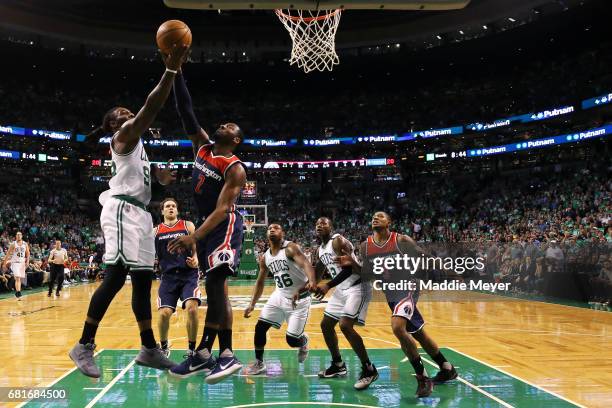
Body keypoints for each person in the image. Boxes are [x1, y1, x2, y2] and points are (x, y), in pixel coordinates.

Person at [68, 44, 189, 378]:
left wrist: (160, 182)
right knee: (116, 276)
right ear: (113, 124)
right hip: (121, 212)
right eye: (122, 112)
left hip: (139, 214)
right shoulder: (123, 136)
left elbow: (142, 185)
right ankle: (84, 344)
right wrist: (171, 70)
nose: (129, 113)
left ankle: (149, 348)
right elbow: (151, 106)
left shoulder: (139, 148)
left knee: (141, 282)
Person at [167, 64, 247, 384]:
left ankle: (226, 355)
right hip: (206, 228)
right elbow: (186, 111)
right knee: (213, 290)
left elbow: (224, 208)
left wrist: (193, 237)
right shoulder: (202, 146)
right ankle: (203, 353)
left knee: (216, 288)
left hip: (224, 225)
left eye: (230, 125)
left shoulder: (235, 167)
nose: (223, 124)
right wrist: (175, 71)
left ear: (236, 139)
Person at [332, 211, 458, 398]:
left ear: (389, 221)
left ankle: (423, 379)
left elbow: (424, 257)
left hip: (407, 288)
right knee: (418, 334)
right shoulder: (366, 246)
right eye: (373, 216)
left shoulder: (401, 240)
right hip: (391, 293)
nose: (375, 218)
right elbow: (368, 273)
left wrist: (436, 276)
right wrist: (351, 262)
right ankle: (447, 368)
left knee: (398, 327)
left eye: (381, 216)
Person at [313, 217, 377, 390]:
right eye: (317, 224)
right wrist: (309, 286)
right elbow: (318, 271)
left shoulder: (338, 241)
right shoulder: (320, 250)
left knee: (345, 325)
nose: (320, 225)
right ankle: (338, 365)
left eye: (324, 223)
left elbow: (349, 269)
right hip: (342, 289)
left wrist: (327, 285)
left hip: (358, 286)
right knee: (326, 325)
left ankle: (369, 369)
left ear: (331, 227)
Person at [243, 224, 316, 375]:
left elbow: (306, 264)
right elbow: (260, 282)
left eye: (276, 228)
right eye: (270, 228)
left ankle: (304, 341)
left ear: (282, 233)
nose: (272, 230)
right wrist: (252, 304)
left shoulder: (290, 248)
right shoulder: (265, 257)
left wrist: (311, 281)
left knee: (292, 341)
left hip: (299, 300)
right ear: (266, 234)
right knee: (260, 327)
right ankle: (259, 362)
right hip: (279, 296)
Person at [154, 198, 201, 363]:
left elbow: (197, 248)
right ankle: (164, 346)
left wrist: (196, 259)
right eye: (167, 206)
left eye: (174, 206)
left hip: (189, 274)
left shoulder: (187, 226)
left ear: (177, 210)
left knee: (192, 309)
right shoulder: (155, 231)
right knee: (164, 314)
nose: (171, 208)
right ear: (162, 211)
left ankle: (192, 349)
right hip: (168, 277)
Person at [2, 232, 29, 300]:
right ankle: (19, 293)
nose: (18, 236)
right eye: (17, 235)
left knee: (19, 279)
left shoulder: (25, 244)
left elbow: (28, 253)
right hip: (15, 262)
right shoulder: (13, 244)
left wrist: (27, 261)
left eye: (20, 235)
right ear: (16, 236)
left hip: (22, 263)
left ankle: (17, 293)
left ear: (22, 236)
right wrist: (4, 263)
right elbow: (8, 254)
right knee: (17, 278)